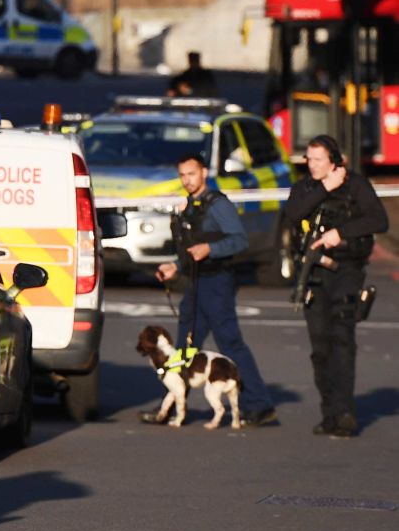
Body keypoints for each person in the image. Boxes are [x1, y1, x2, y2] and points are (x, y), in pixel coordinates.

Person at [142, 154, 276, 427]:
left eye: (191, 174)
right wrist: (175, 266)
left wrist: (211, 249)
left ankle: (259, 405)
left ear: (204, 172)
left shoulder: (217, 205)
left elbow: (239, 240)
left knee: (230, 344)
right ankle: (170, 405)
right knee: (184, 349)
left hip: (217, 283)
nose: (187, 180)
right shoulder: (191, 205)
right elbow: (192, 250)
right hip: (196, 282)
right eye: (182, 175)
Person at [285, 135, 388, 437]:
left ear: (334, 161)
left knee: (342, 336)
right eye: (309, 159)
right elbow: (293, 213)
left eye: (318, 159)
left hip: (346, 269)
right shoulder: (306, 187)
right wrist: (324, 189)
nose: (312, 164)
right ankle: (329, 411)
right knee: (321, 346)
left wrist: (340, 233)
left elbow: (379, 220)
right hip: (314, 272)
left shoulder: (355, 185)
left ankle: (344, 412)